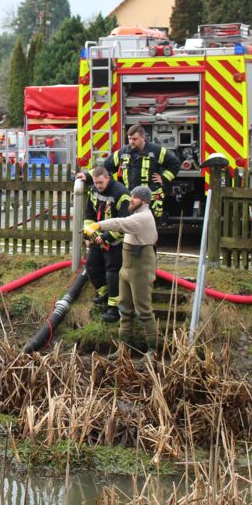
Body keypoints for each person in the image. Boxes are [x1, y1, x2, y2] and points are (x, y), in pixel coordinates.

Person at [84, 185, 160, 357]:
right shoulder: (136, 215)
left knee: (144, 311)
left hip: (140, 270)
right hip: (126, 269)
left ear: (144, 201)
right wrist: (101, 237)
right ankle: (123, 348)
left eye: (134, 197)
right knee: (124, 309)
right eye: (131, 196)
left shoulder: (143, 218)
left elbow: (120, 223)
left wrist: (97, 225)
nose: (130, 199)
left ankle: (152, 351)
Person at [79, 125, 180, 221]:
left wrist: (163, 178)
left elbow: (175, 164)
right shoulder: (123, 152)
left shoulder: (156, 150)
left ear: (143, 138)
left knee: (149, 230)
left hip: (151, 200)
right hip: (131, 199)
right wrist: (87, 176)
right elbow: (106, 166)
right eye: (129, 139)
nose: (131, 142)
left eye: (134, 139)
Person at [79, 166, 130, 323]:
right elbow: (89, 214)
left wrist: (107, 237)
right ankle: (104, 294)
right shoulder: (94, 190)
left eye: (101, 183)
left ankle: (113, 309)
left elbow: (125, 222)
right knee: (92, 267)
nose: (98, 186)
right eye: (95, 183)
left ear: (108, 178)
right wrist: (90, 234)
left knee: (112, 273)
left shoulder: (121, 194)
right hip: (97, 237)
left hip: (116, 241)